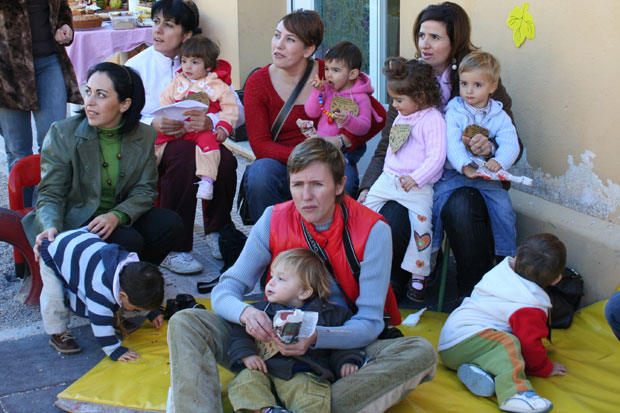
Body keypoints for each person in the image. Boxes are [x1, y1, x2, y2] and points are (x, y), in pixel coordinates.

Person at [167, 138, 437, 413]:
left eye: (317, 185)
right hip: (267, 343)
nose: (306, 196)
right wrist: (246, 315)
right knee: (186, 321)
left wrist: (317, 337)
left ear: (340, 185)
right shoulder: (274, 218)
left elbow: (369, 322)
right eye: (297, 185)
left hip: (338, 346)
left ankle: (295, 401)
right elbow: (227, 288)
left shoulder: (373, 230)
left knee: (419, 352)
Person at [359, 1, 523, 299]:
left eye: (435, 37)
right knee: (391, 211)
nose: (425, 44)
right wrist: (368, 185)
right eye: (422, 35)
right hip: (417, 175)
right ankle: (395, 285)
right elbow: (389, 142)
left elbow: (512, 140)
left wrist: (490, 148)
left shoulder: (479, 77)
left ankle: (473, 292)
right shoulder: (409, 78)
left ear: (454, 40)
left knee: (461, 206)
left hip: (464, 178)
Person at [23, 62, 183, 268]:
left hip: (116, 214)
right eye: (88, 92)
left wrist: (117, 215)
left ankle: (129, 280)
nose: (89, 102)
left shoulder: (144, 135)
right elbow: (51, 192)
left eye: (100, 95)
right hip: (77, 218)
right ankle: (119, 284)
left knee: (170, 224)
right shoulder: (63, 133)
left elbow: (145, 190)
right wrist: (51, 225)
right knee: (129, 241)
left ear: (124, 104)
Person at [126, 0, 244, 272]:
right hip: (155, 145)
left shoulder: (202, 60)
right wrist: (152, 122)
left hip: (198, 137)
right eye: (156, 22)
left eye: (168, 25)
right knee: (182, 156)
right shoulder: (137, 67)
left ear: (187, 34)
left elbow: (235, 108)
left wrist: (211, 120)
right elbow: (121, 115)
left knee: (225, 159)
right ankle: (173, 246)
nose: (158, 31)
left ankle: (217, 230)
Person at [243, 9, 385, 223]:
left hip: (328, 158)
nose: (278, 45)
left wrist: (344, 139)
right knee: (260, 174)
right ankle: (273, 246)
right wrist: (305, 157)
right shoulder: (258, 82)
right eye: (276, 35)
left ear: (309, 49)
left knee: (344, 181)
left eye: (290, 39)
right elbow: (260, 145)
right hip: (283, 161)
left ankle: (331, 249)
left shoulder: (328, 72)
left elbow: (378, 116)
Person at [438, 233, 569, 413]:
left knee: (498, 345)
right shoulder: (529, 305)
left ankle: (479, 371)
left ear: (515, 261)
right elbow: (529, 345)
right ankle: (515, 394)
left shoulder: (502, 274)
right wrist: (544, 367)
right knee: (508, 343)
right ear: (556, 280)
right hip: (465, 340)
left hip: (451, 343)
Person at [227, 248, 365, 413]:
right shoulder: (260, 311)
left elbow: (342, 342)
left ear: (305, 291)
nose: (270, 282)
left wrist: (347, 361)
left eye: (280, 279)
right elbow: (239, 333)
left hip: (303, 373)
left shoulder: (331, 315)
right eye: (272, 276)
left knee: (313, 397)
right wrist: (246, 354)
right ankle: (266, 410)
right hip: (262, 369)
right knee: (244, 382)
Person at [363, 57, 446, 303]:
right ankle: (360, 258)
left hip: (417, 187)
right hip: (389, 179)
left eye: (399, 100)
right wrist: (375, 183)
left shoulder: (432, 120)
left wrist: (416, 177)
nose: (394, 105)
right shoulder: (402, 116)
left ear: (420, 97)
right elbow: (391, 149)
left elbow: (436, 157)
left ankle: (418, 272)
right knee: (365, 213)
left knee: (422, 227)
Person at [435, 51, 520, 267]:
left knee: (504, 211)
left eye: (477, 85)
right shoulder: (455, 110)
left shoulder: (498, 115)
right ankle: (431, 252)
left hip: (486, 176)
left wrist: (498, 161)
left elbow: (511, 143)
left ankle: (505, 256)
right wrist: (464, 165)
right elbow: (451, 142)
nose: (469, 90)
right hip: (454, 175)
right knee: (434, 206)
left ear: (492, 86)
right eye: (464, 84)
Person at [0, 0, 82, 206]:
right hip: (7, 69)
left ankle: (47, 213)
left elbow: (62, 8)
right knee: (18, 150)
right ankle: (22, 215)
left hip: (49, 61)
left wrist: (65, 26)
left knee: (53, 144)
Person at [39, 227, 165, 360]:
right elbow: (99, 321)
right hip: (56, 250)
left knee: (110, 300)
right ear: (123, 295)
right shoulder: (100, 288)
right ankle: (57, 331)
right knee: (54, 295)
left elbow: (145, 290)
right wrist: (114, 349)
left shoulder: (134, 271)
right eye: (135, 309)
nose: (135, 310)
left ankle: (115, 317)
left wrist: (152, 311)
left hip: (81, 247)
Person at [156, 34, 240, 201]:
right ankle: (149, 172)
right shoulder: (177, 82)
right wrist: (168, 118)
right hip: (179, 128)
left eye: (195, 62)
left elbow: (231, 107)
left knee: (210, 146)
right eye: (185, 60)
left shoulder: (217, 85)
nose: (188, 66)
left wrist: (222, 125)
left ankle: (207, 180)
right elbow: (165, 100)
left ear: (208, 66)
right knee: (156, 141)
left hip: (201, 129)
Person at [303, 40, 382, 181]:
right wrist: (317, 92)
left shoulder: (361, 97)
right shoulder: (327, 89)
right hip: (322, 146)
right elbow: (311, 112)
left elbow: (364, 127)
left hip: (344, 152)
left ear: (352, 74)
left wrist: (348, 120)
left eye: (335, 70)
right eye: (327, 69)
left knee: (344, 180)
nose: (329, 75)